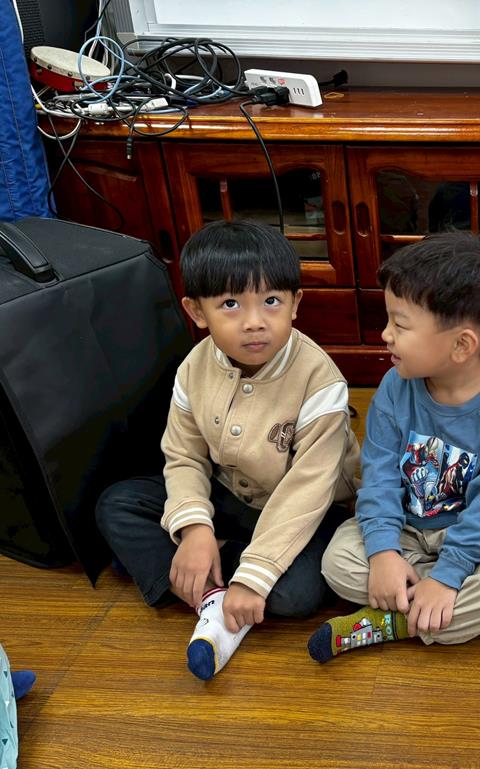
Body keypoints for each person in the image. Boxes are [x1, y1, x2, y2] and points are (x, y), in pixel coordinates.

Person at [96, 220, 359, 679]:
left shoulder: (321, 382)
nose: (254, 322)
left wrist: (256, 574)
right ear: (196, 311)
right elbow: (184, 455)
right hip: (232, 498)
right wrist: (196, 527)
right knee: (116, 504)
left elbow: (307, 492)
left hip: (310, 512)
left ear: (296, 304)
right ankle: (213, 585)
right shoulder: (193, 367)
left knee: (298, 594)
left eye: (271, 301)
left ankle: (198, 574)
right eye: (231, 304)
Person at [307, 231, 480, 662]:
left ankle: (388, 622)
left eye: (400, 325)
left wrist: (450, 574)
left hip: (472, 537)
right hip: (405, 529)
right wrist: (383, 552)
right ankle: (448, 610)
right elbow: (379, 477)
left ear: (461, 345)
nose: (386, 335)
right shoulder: (394, 386)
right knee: (338, 562)